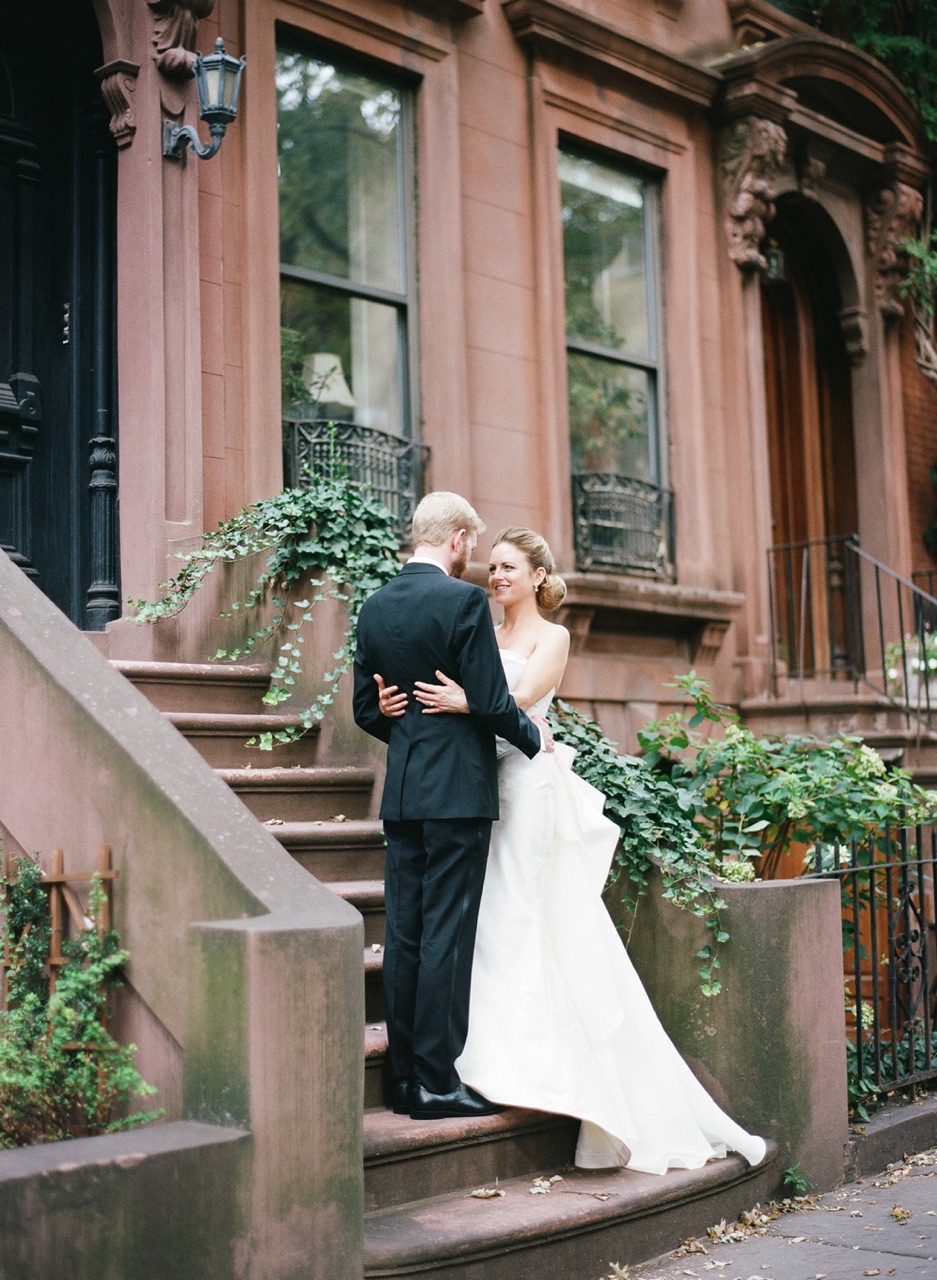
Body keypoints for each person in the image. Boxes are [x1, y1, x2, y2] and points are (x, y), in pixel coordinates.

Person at [376, 526, 767, 1174]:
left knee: (524, 914)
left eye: (508, 567)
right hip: (473, 790)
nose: (496, 576)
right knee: (480, 921)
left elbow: (520, 703)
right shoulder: (479, 628)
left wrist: (465, 700)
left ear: (536, 576)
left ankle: (533, 1065)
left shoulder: (551, 638)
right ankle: (471, 1057)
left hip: (526, 786)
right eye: (491, 567)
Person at [352, 493, 551, 1122]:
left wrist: (399, 724)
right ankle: (437, 1082)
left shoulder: (376, 605)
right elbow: (489, 700)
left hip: (405, 791)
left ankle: (404, 1080)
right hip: (459, 793)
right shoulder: (462, 602)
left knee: (405, 934)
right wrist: (534, 741)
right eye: (474, 545)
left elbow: (366, 708)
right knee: (446, 935)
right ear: (459, 539)